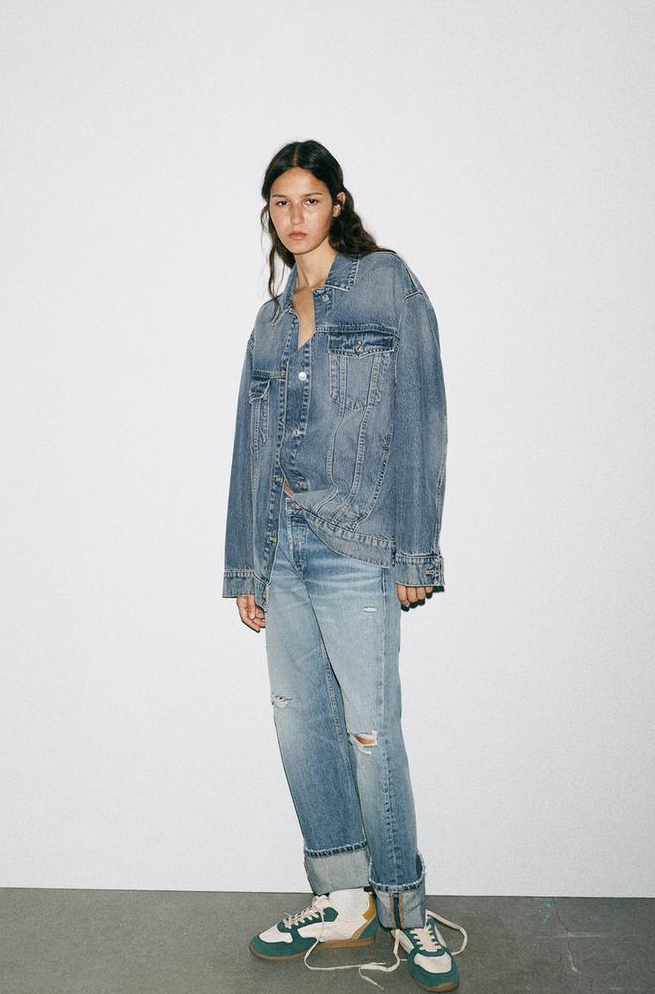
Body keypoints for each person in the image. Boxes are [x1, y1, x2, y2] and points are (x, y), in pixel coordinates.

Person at [222, 140, 467, 991]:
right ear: (270, 212)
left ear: (338, 203)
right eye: (280, 202)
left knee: (371, 731)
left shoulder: (385, 283)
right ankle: (341, 897)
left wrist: (414, 549)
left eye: (310, 199)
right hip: (282, 546)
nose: (295, 216)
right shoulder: (269, 320)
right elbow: (250, 448)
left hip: (359, 544)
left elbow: (423, 412)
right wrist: (247, 565)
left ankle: (407, 908)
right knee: (301, 724)